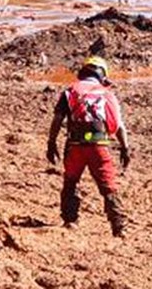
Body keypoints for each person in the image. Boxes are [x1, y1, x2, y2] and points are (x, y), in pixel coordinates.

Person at [46, 56, 131, 237]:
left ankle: (70, 221)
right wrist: (125, 148)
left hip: (75, 145)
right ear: (102, 75)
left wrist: (51, 142)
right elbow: (119, 125)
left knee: (71, 182)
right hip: (99, 144)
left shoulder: (70, 92)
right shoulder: (107, 94)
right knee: (108, 186)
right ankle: (119, 226)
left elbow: (57, 119)